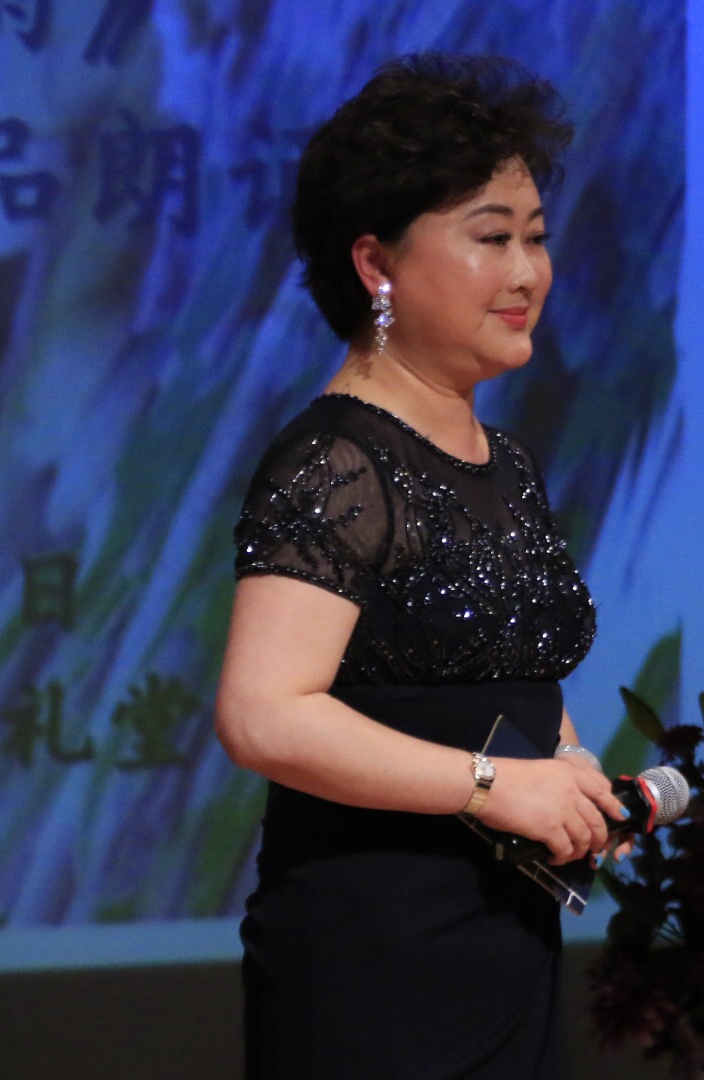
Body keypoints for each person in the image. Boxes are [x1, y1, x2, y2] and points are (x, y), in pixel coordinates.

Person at [214, 54, 626, 1078]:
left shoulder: (508, 463)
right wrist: (493, 786)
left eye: (536, 237)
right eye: (492, 237)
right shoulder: (336, 460)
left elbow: (499, 671)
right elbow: (263, 714)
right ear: (377, 264)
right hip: (372, 967)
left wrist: (570, 771)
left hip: (505, 949)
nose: (528, 273)